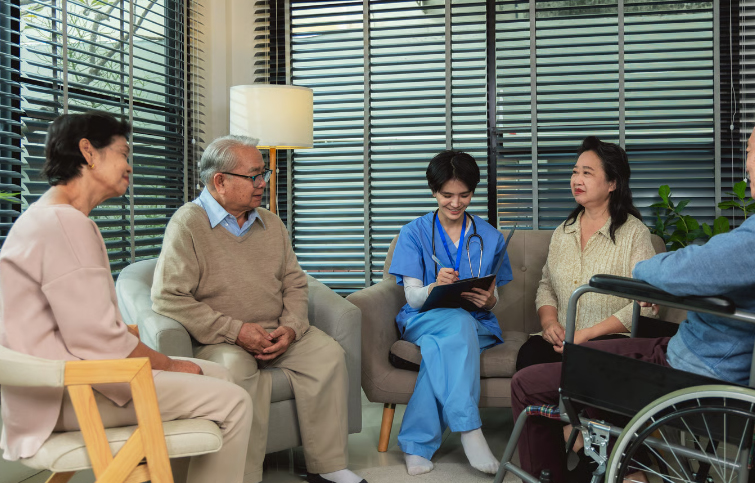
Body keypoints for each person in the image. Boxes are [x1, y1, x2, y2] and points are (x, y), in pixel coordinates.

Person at [510, 98, 755, 482]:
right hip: (709, 355)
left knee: (528, 383)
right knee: (565, 359)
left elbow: (689, 268)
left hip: (693, 371)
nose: (747, 164)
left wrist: (647, 272)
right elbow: (710, 265)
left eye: (749, 152)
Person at [0, 112, 252, 483]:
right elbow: (98, 339)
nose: (130, 166)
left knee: (218, 373)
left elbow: (87, 329)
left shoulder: (45, 217)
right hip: (65, 397)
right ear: (88, 152)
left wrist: (166, 363)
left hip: (48, 389)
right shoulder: (65, 225)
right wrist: (170, 364)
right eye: (122, 153)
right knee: (235, 401)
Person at [151, 135, 365, 483]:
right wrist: (237, 331)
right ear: (220, 181)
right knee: (235, 367)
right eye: (253, 176)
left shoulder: (271, 224)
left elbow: (296, 283)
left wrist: (292, 327)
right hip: (220, 339)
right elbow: (168, 297)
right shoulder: (187, 224)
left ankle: (328, 466)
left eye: (262, 174)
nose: (262, 183)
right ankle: (244, 474)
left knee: (327, 354)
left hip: (276, 331)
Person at [388, 150, 514, 476]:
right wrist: (433, 288)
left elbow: (494, 294)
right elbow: (413, 299)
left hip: (477, 322)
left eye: (464, 195)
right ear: (433, 191)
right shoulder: (414, 233)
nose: (456, 203)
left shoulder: (489, 236)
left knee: (442, 351)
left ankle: (416, 444)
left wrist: (489, 302)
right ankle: (470, 430)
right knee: (457, 325)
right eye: (447, 195)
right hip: (423, 318)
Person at [516, 136, 656, 371]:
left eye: (587, 173)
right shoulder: (563, 231)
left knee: (588, 364)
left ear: (612, 183)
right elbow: (546, 287)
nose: (576, 180)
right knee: (530, 356)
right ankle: (543, 410)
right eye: (574, 172)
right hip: (562, 340)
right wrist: (550, 323)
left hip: (610, 341)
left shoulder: (635, 233)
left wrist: (587, 334)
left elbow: (648, 305)